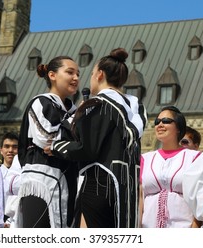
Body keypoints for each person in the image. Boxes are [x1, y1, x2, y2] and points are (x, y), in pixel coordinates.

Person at [48, 48, 147, 228]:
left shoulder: (99, 105)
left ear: (100, 75)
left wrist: (56, 146)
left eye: (92, 73)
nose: (90, 78)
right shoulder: (136, 108)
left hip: (99, 185)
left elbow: (87, 149)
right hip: (127, 189)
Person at [16, 55, 80, 228]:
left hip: (68, 182)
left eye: (78, 74)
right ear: (52, 75)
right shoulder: (41, 103)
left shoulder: (75, 111)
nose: (76, 78)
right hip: (42, 183)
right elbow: (47, 140)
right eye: (70, 72)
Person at [139, 106, 200, 228]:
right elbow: (141, 198)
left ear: (178, 128)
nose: (160, 124)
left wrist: (195, 227)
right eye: (157, 122)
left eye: (166, 121)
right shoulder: (145, 158)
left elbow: (200, 195)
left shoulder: (194, 158)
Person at [0, 131, 19, 226]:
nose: (10, 150)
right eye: (7, 146)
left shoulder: (24, 175)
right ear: (1, 150)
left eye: (15, 147)